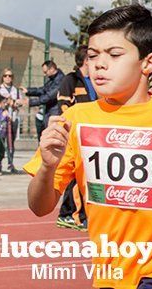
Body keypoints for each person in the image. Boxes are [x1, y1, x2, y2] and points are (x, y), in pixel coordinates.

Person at [27, 4, 152, 289]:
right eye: (93, 55)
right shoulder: (76, 120)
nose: (99, 64)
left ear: (148, 63)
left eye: (115, 55)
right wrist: (47, 166)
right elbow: (39, 207)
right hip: (110, 275)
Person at [53, 45, 98, 232]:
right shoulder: (71, 80)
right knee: (73, 176)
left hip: (94, 134)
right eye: (93, 57)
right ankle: (70, 214)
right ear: (85, 60)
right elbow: (64, 104)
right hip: (76, 133)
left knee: (88, 175)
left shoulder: (95, 81)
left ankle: (83, 213)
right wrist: (72, 126)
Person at [22, 60, 65, 139]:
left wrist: (31, 102)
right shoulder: (53, 79)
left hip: (55, 112)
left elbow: (49, 96)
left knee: (51, 137)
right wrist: (29, 91)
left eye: (46, 72)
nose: (45, 74)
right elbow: (43, 90)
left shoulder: (60, 80)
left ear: (52, 69)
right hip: (50, 111)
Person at [0, 68, 23, 173]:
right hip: (2, 119)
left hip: (13, 118)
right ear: (2, 77)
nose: (7, 78)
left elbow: (20, 102)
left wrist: (14, 102)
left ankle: (10, 163)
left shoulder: (15, 90)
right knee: (1, 142)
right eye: (5, 76)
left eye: (10, 76)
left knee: (11, 142)